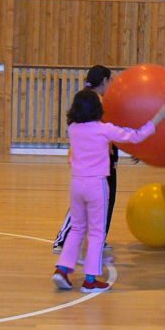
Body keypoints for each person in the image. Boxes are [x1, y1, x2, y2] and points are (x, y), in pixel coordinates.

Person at [52, 90, 165, 292]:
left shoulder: (73, 128)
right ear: (97, 109)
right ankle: (90, 280)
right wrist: (158, 118)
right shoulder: (104, 129)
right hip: (96, 185)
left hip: (76, 184)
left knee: (77, 228)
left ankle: (62, 269)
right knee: (97, 232)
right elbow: (136, 136)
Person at [53, 65, 117, 255]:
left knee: (99, 201)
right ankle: (63, 239)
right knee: (87, 202)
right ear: (104, 80)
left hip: (99, 157)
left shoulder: (90, 100)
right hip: (95, 160)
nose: (111, 84)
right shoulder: (96, 102)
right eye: (110, 80)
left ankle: (97, 240)